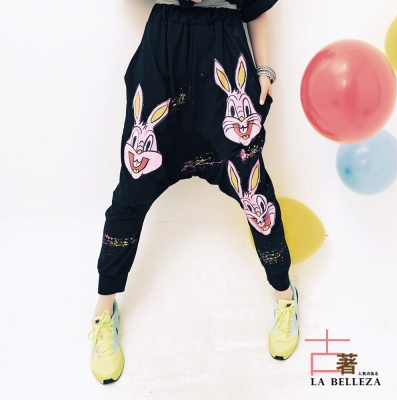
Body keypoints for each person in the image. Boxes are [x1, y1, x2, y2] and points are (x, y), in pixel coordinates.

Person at [88, 0, 299, 385]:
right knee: (132, 190)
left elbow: (256, 8)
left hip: (225, 55)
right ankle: (104, 311)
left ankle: (285, 295)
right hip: (163, 56)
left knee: (253, 190)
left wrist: (265, 70)